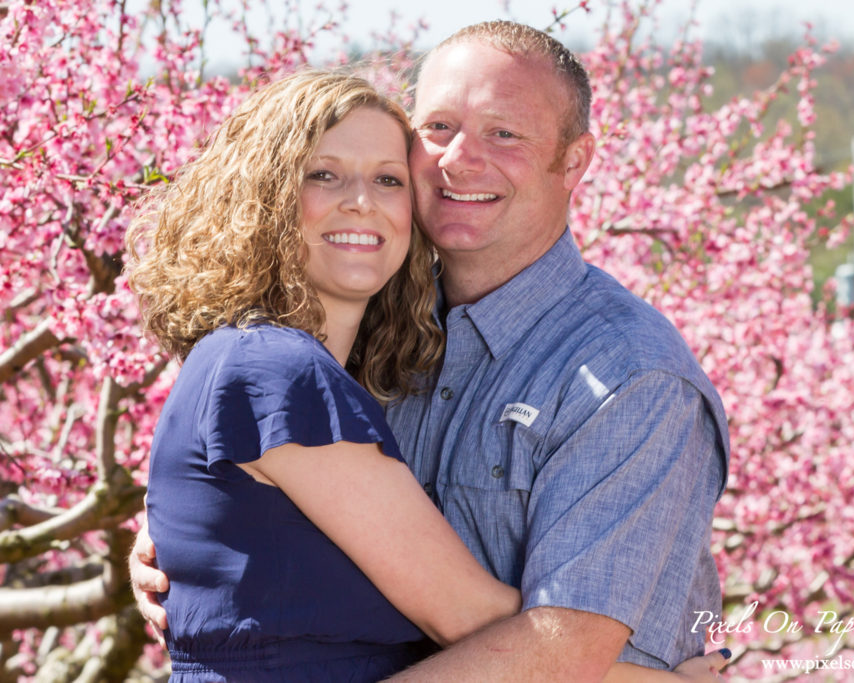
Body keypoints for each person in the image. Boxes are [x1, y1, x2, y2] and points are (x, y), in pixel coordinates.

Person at [132, 21, 732, 681]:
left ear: (575, 160)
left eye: (504, 133)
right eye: (438, 128)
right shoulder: (353, 349)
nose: (458, 160)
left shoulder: (627, 374)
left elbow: (565, 646)